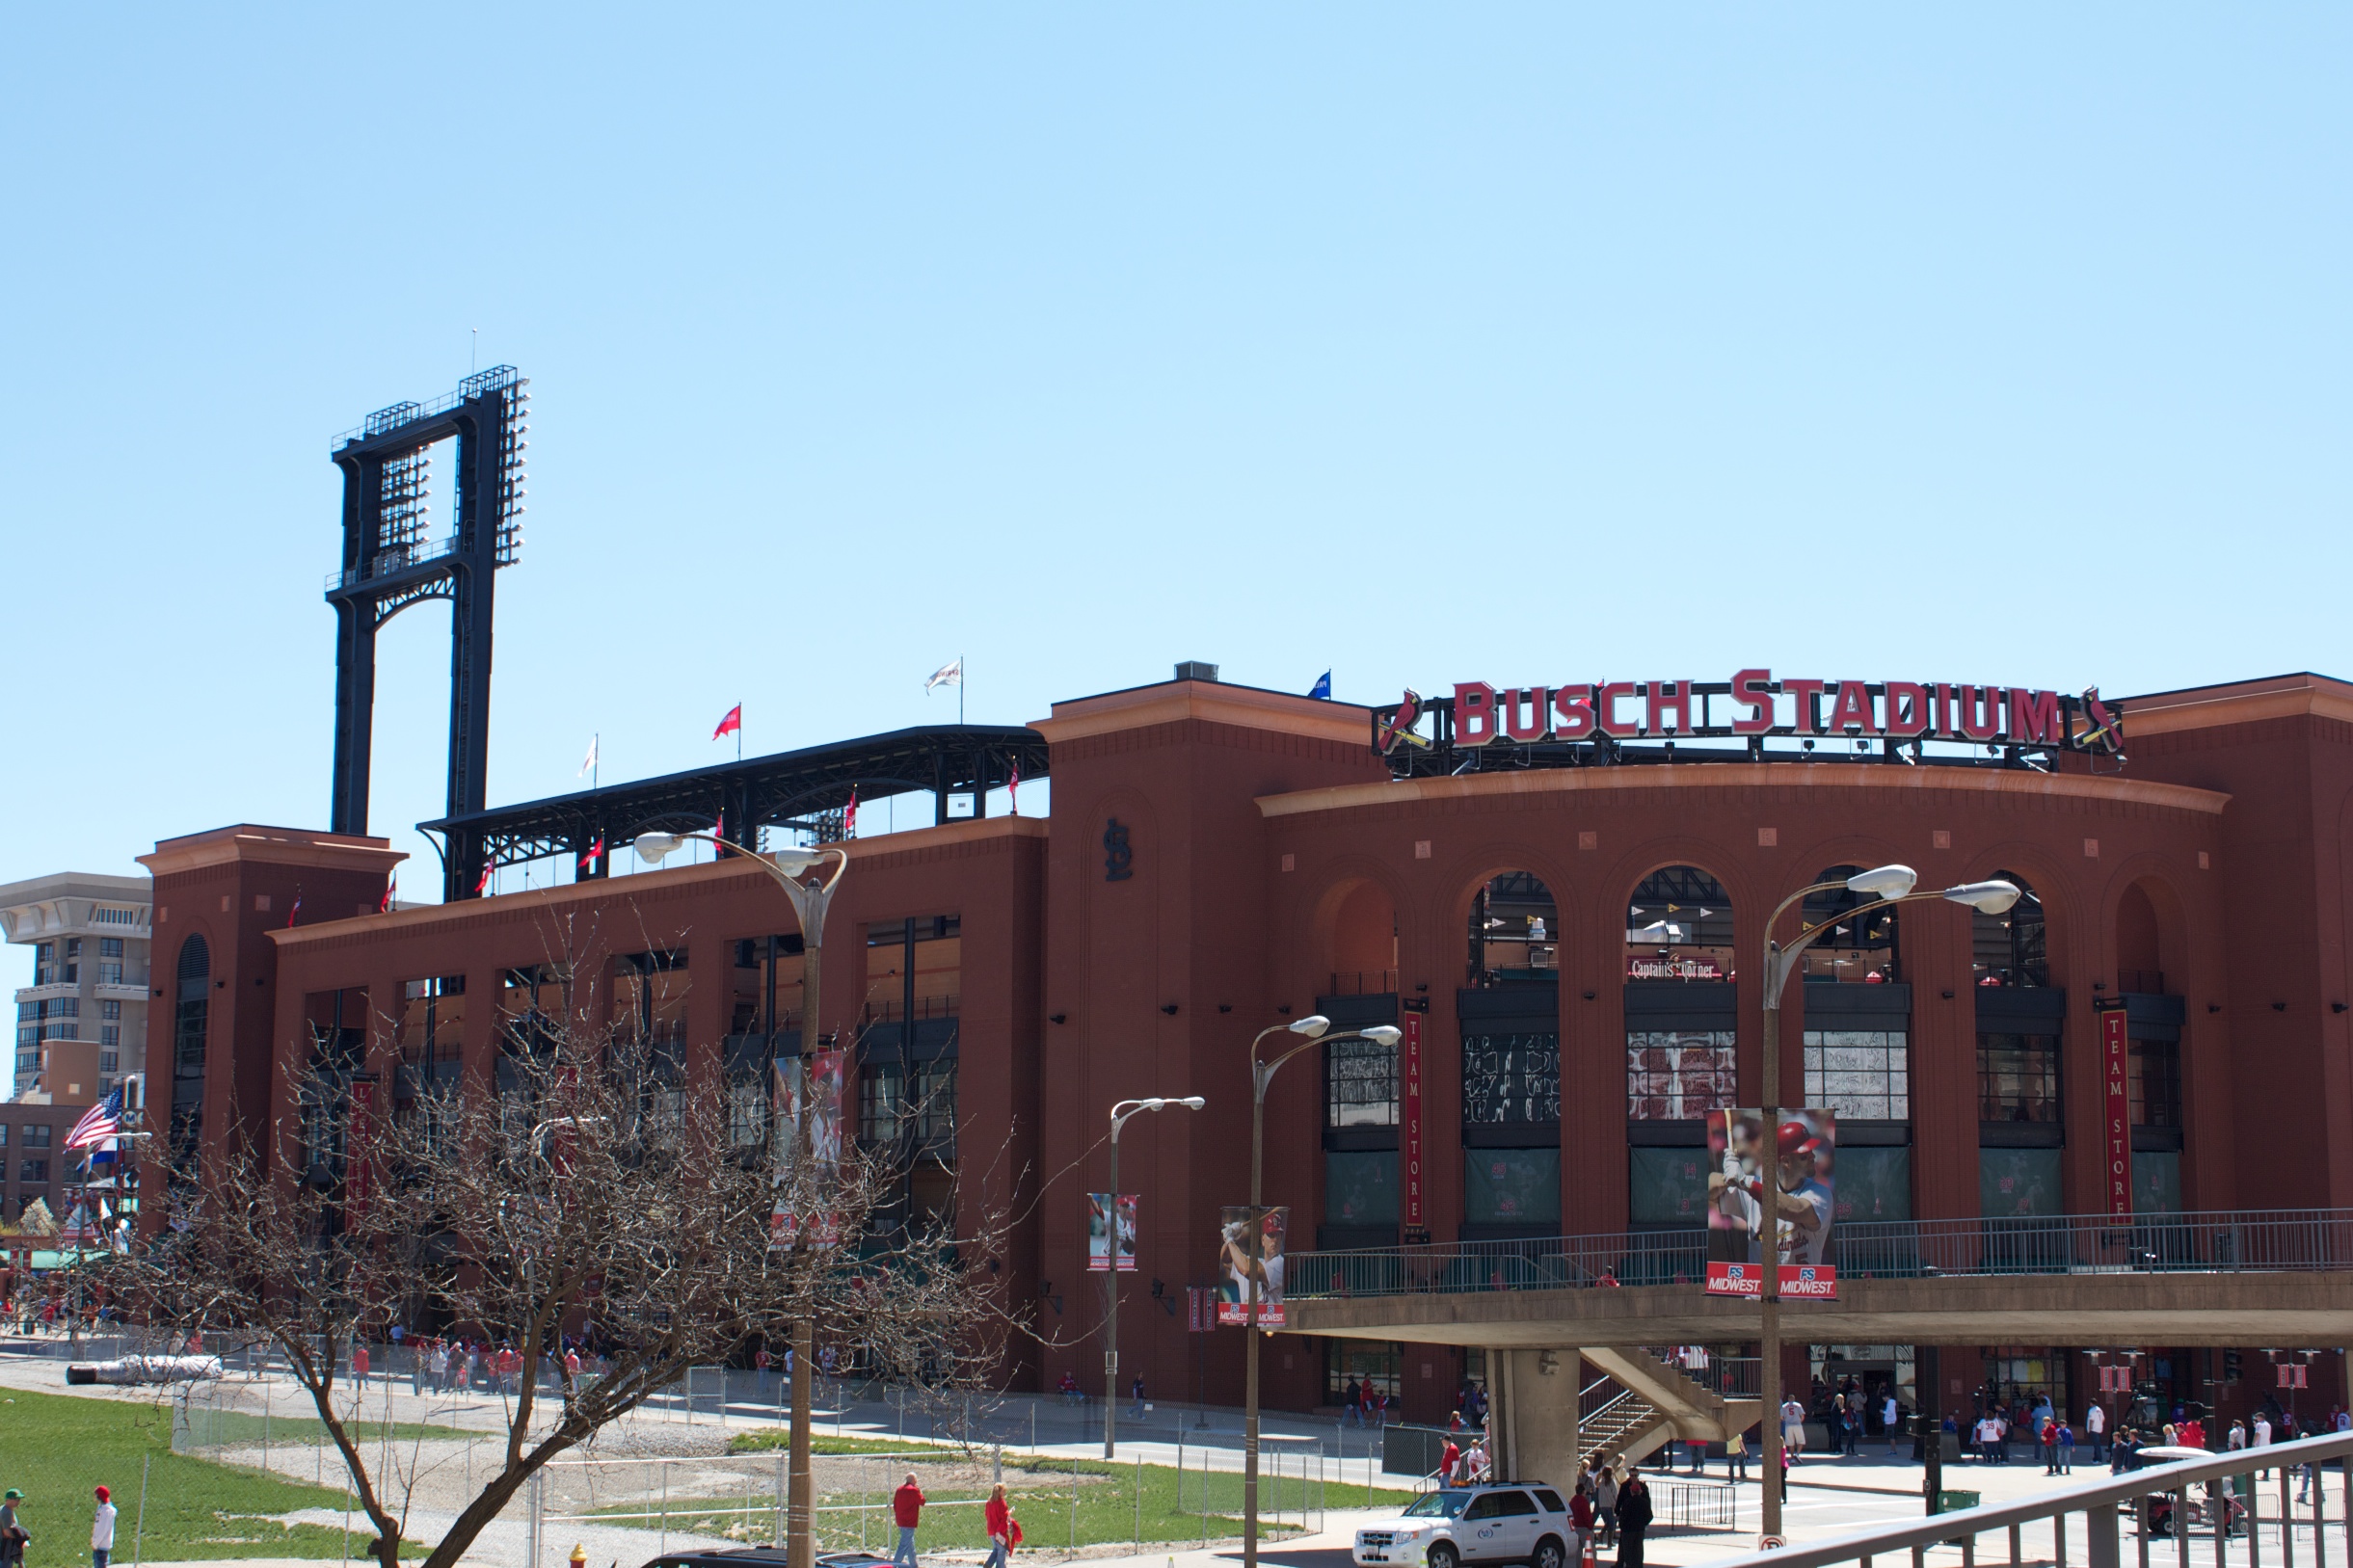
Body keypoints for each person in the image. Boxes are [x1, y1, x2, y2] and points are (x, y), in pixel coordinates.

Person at [1614, 1466, 1653, 1568]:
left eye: (1635, 1475)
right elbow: (1619, 1501)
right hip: (1629, 1524)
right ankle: (1621, 1563)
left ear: (1638, 1475)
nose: (1633, 1478)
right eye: (1632, 1475)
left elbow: (1648, 1509)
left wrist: (1643, 1523)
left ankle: (1634, 1565)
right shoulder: (1625, 1486)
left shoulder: (1643, 1488)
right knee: (1624, 1547)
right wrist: (1618, 1515)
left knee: (1636, 1549)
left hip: (1635, 1524)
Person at [892, 1472, 924, 1568]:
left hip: (900, 1521)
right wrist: (920, 1492)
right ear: (914, 1480)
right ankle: (895, 1564)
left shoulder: (899, 1490)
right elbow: (922, 1501)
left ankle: (914, 1565)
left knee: (910, 1546)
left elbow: (895, 1505)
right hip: (909, 1522)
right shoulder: (914, 1490)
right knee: (903, 1546)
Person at [982, 1482, 1013, 1568]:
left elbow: (987, 1515)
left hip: (991, 1531)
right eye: (1003, 1491)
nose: (1004, 1493)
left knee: (997, 1549)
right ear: (999, 1492)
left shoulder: (989, 1503)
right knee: (1002, 1550)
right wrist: (1000, 1531)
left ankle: (988, 1564)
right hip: (999, 1531)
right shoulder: (1001, 1503)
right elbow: (1004, 1518)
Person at [1594, 1462, 1620, 1550]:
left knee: (1608, 1522)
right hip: (1610, 1505)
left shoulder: (1601, 1482)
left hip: (1602, 1505)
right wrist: (1616, 1503)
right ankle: (1609, 1541)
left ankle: (1601, 1535)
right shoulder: (1611, 1482)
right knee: (1611, 1523)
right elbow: (1615, 1494)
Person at [1568, 1486, 1596, 1561]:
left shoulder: (1572, 1501)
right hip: (1584, 1528)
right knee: (1591, 1550)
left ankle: (1579, 1566)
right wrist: (1591, 1526)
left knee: (1579, 1551)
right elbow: (1587, 1517)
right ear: (1583, 1491)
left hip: (1575, 1528)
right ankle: (1593, 1565)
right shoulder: (1583, 1502)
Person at [1, 1487, 28, 1568]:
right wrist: (19, 1539)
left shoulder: (7, 1509)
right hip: (4, 1546)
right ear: (8, 1499)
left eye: (19, 1499)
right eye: (16, 1499)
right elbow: (6, 1532)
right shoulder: (6, 1512)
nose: (18, 1501)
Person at [90, 1486, 114, 1568]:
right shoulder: (101, 1509)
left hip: (101, 1546)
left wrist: (95, 1543)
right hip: (99, 1545)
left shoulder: (106, 1512)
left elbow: (102, 1530)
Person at [1780, 1395, 1806, 1461]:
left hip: (1788, 1425)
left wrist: (1785, 1420)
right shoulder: (1798, 1405)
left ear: (1788, 1399)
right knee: (1800, 1441)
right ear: (1794, 1399)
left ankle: (1792, 1458)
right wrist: (1800, 1421)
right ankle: (1797, 1454)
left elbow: (1781, 1417)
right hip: (1797, 1424)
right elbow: (1802, 1415)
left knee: (1790, 1443)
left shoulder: (1784, 1406)